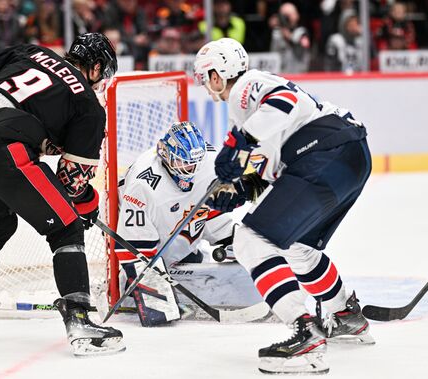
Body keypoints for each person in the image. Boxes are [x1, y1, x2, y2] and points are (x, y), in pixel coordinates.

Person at [0, 32, 125, 357]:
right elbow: (72, 183)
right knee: (66, 227)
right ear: (94, 68)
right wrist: (86, 206)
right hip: (1, 149)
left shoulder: (31, 52)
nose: (100, 85)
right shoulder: (88, 105)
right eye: (102, 76)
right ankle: (81, 321)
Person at [194, 38, 374, 374]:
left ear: (219, 74)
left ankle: (304, 334)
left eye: (206, 77)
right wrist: (242, 189)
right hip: (349, 157)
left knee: (248, 240)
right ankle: (345, 314)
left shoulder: (245, 87)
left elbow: (284, 100)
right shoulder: (252, 111)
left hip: (325, 155)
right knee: (298, 248)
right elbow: (273, 172)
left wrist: (238, 141)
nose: (206, 87)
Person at [115, 121, 236, 327]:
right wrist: (155, 296)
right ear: (165, 154)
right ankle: (129, 285)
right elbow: (134, 247)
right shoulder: (143, 185)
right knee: (160, 315)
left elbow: (209, 207)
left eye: (194, 163)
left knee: (244, 242)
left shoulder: (209, 161)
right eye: (184, 163)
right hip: (148, 238)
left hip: (182, 226)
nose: (190, 169)